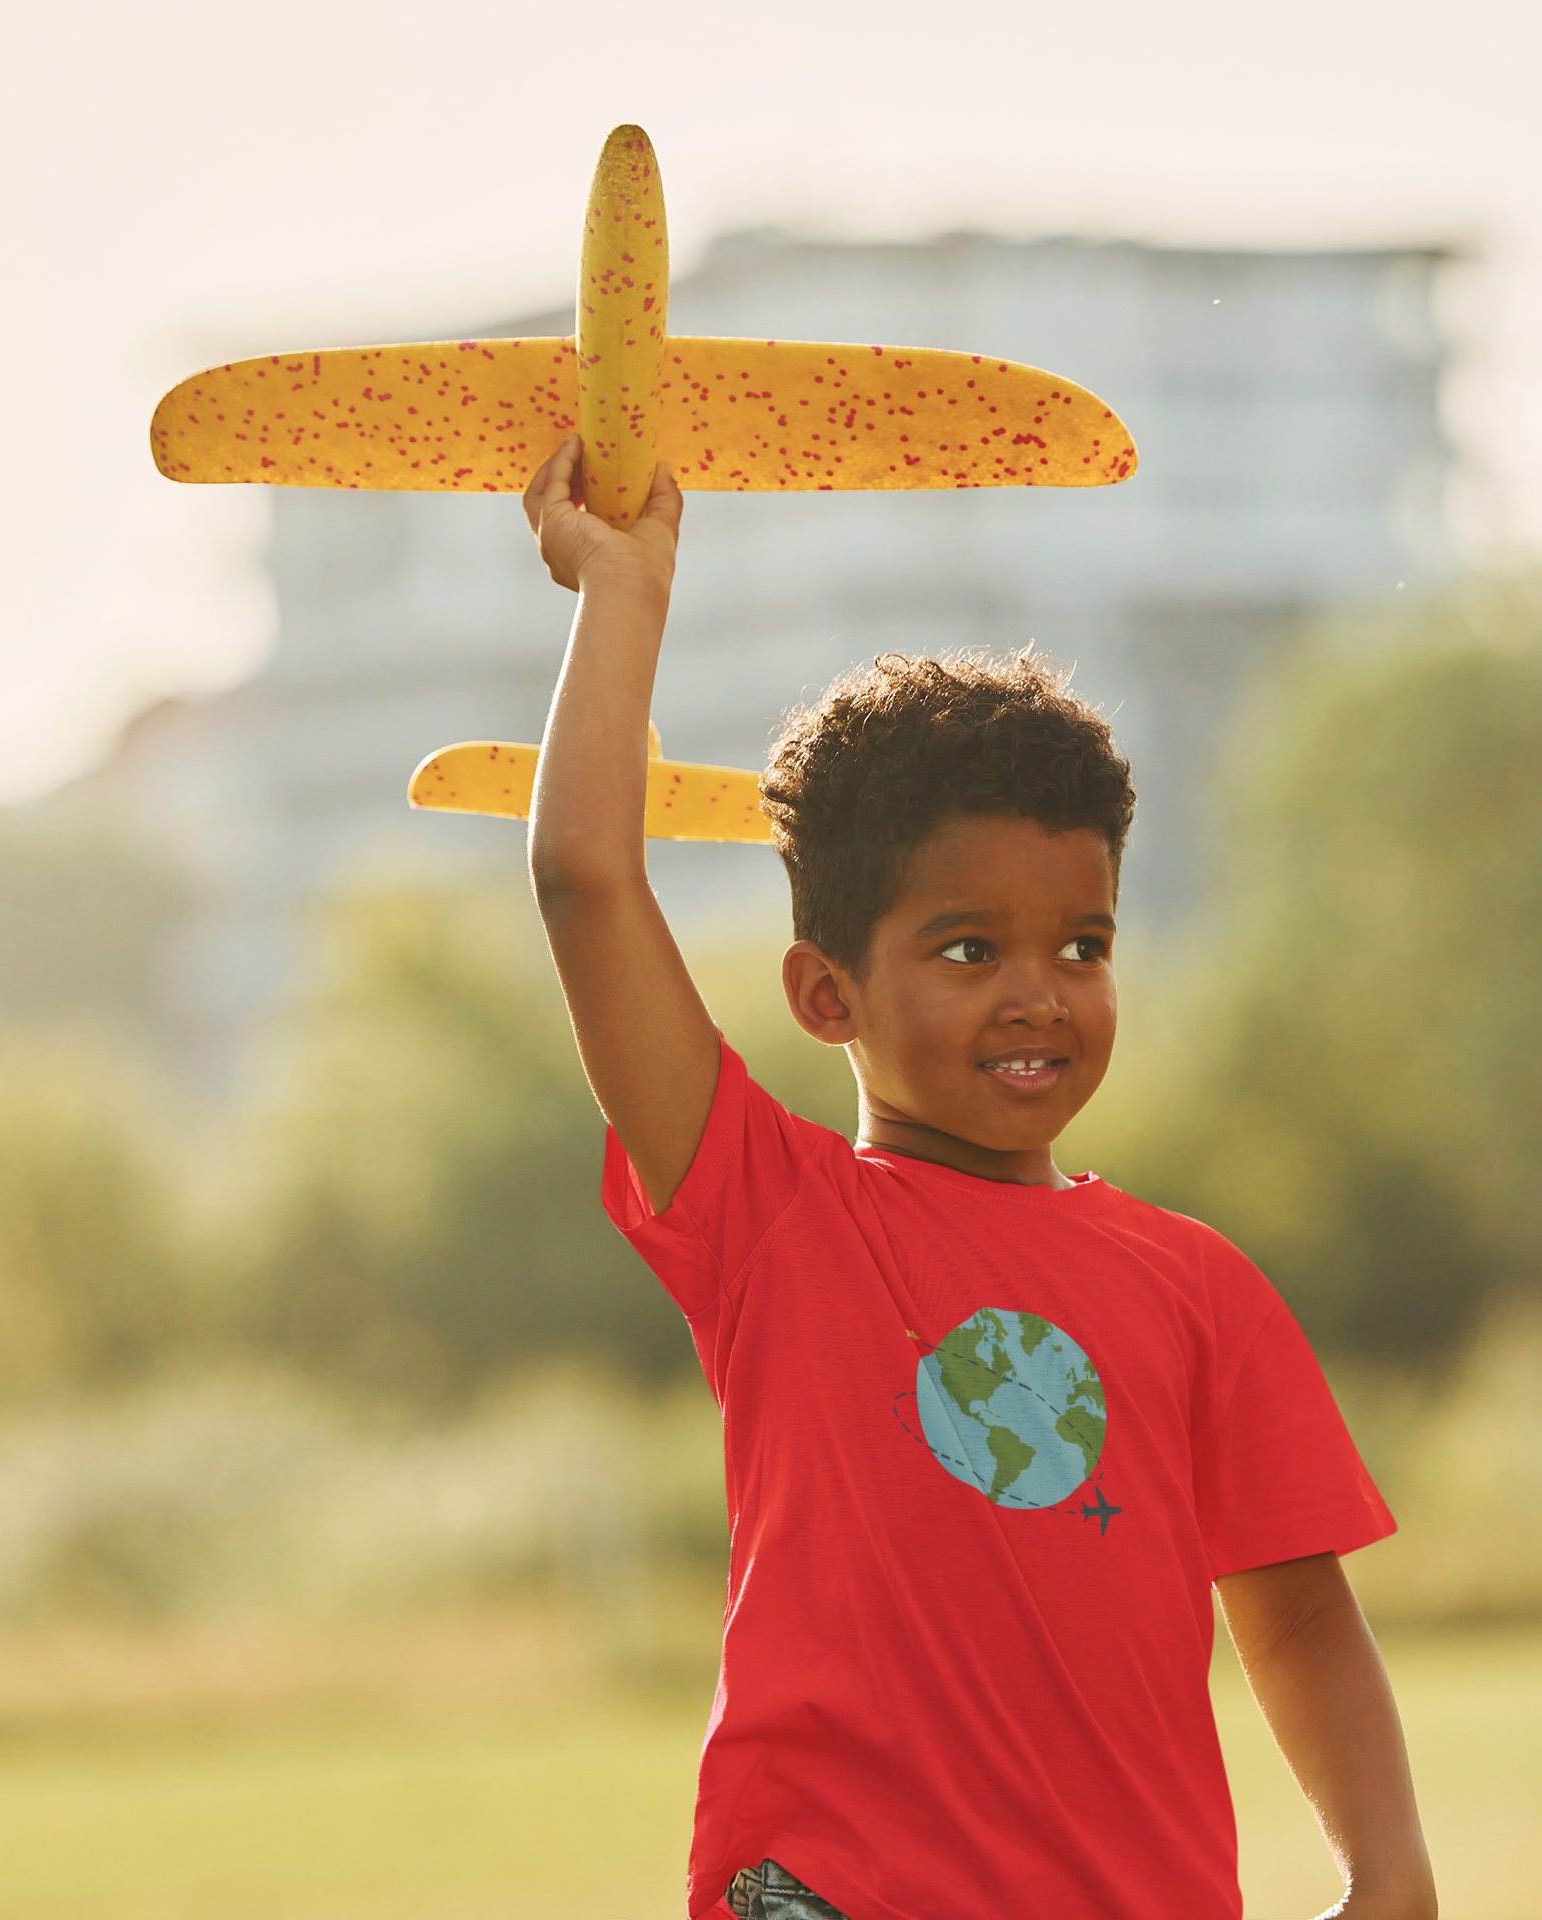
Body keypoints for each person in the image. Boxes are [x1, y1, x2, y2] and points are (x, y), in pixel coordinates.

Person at [523, 433, 1437, 1920]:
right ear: (827, 995)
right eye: (969, 950)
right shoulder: (771, 1216)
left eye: (1083, 945)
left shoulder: (1195, 1286)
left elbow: (1299, 1611)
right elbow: (585, 881)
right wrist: (621, 588)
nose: (1040, 993)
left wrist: (1387, 1871)